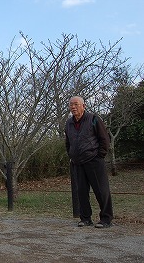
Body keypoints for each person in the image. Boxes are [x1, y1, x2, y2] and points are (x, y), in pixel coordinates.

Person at [65, 96, 113, 228]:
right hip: (77, 163)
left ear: (83, 106)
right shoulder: (68, 123)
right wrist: (71, 154)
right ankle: (85, 218)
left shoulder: (93, 119)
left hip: (94, 160)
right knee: (81, 192)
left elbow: (104, 139)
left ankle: (106, 219)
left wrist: (99, 155)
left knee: (101, 190)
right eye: (71, 105)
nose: (73, 107)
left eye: (76, 104)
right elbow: (68, 142)